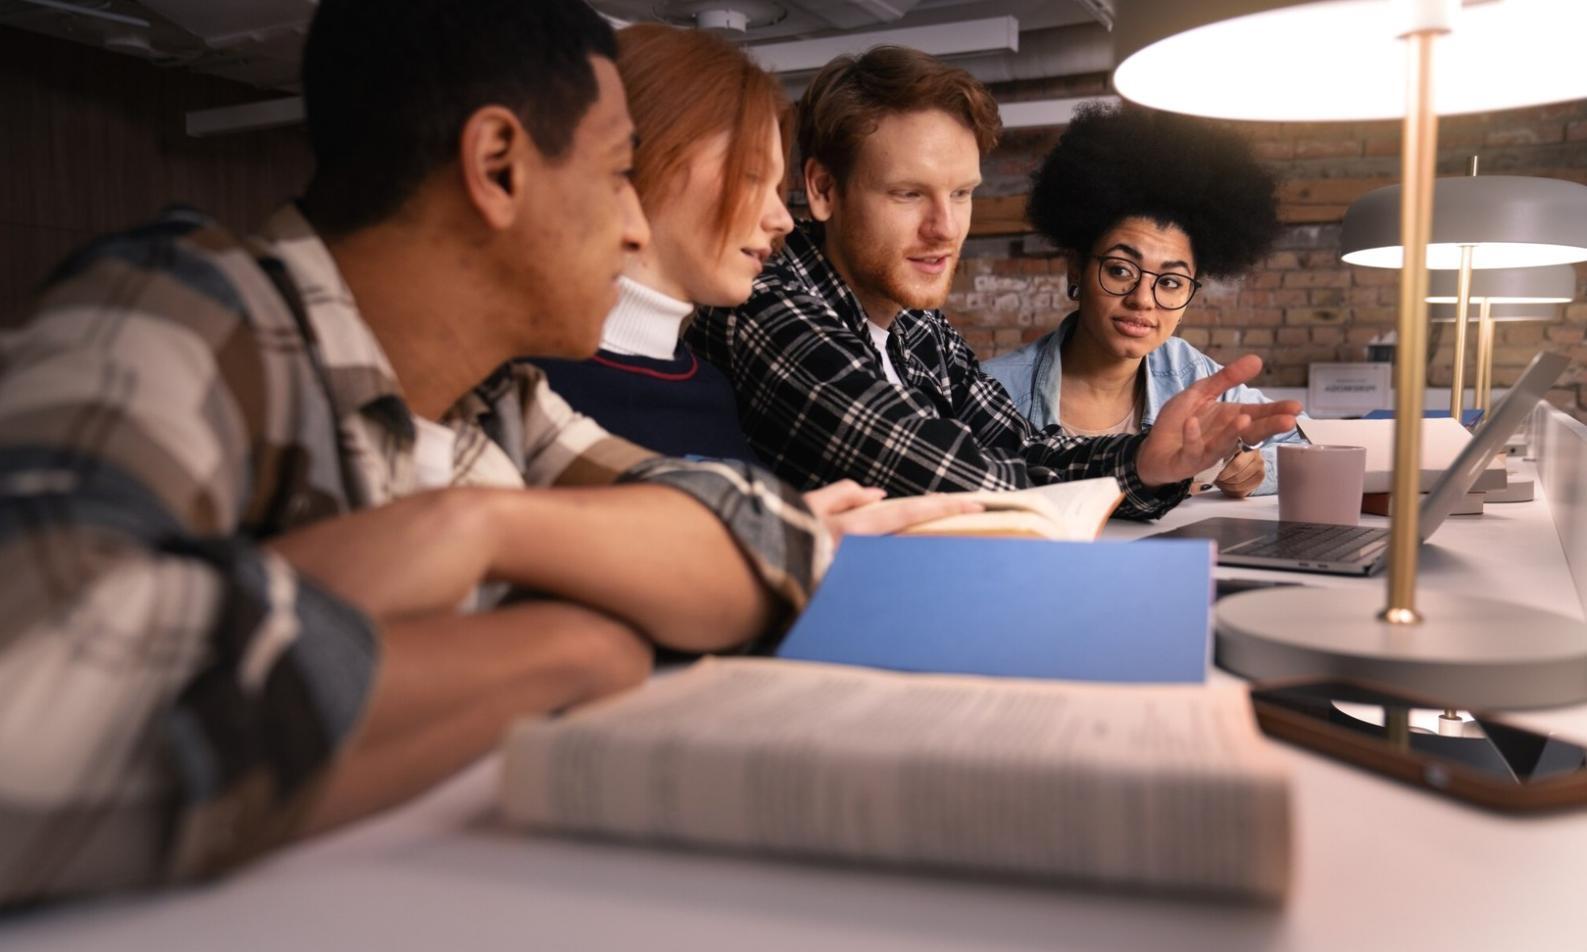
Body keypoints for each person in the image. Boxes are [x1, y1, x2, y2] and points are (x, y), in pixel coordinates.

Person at [0, 0, 966, 907]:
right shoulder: (176, 316)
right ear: (499, 164)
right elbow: (35, 714)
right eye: (613, 174)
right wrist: (569, 646)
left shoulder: (494, 399)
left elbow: (756, 535)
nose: (632, 225)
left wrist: (470, 527)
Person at [685, 47, 1301, 517]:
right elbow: (949, 475)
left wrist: (1145, 463)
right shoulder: (765, 303)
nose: (945, 229)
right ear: (822, 190)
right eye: (908, 194)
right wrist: (1136, 473)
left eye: (961, 194)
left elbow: (1023, 449)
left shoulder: (921, 328)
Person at [982, 104, 1303, 497]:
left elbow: (1303, 447)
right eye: (1119, 270)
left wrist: (1251, 470)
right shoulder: (995, 390)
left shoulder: (1193, 376)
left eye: (1169, 282)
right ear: (1076, 270)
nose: (1142, 300)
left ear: (1188, 296)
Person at [533, 24, 793, 462]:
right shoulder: (530, 387)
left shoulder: (710, 389)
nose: (781, 219)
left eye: (777, 186)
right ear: (646, 156)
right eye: (750, 176)